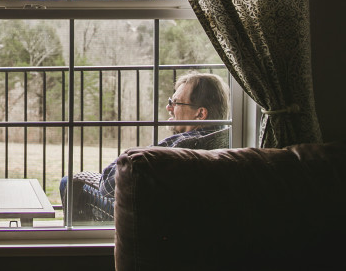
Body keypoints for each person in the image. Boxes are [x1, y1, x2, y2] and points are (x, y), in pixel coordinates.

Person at [60, 72, 230, 221]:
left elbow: (108, 186)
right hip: (187, 221)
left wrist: (127, 155)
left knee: (68, 182)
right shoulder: (227, 139)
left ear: (200, 114)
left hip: (146, 220)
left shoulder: (180, 145)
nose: (168, 107)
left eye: (176, 103)